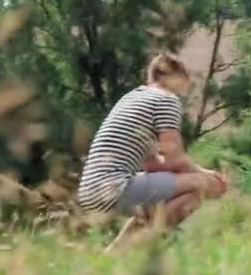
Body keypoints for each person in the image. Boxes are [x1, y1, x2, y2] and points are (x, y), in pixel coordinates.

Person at [77, 53, 227, 227]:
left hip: (90, 191)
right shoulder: (166, 99)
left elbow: (153, 166)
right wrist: (207, 175)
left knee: (155, 207)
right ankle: (149, 241)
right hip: (116, 186)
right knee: (203, 184)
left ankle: (114, 253)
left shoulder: (132, 98)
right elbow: (175, 159)